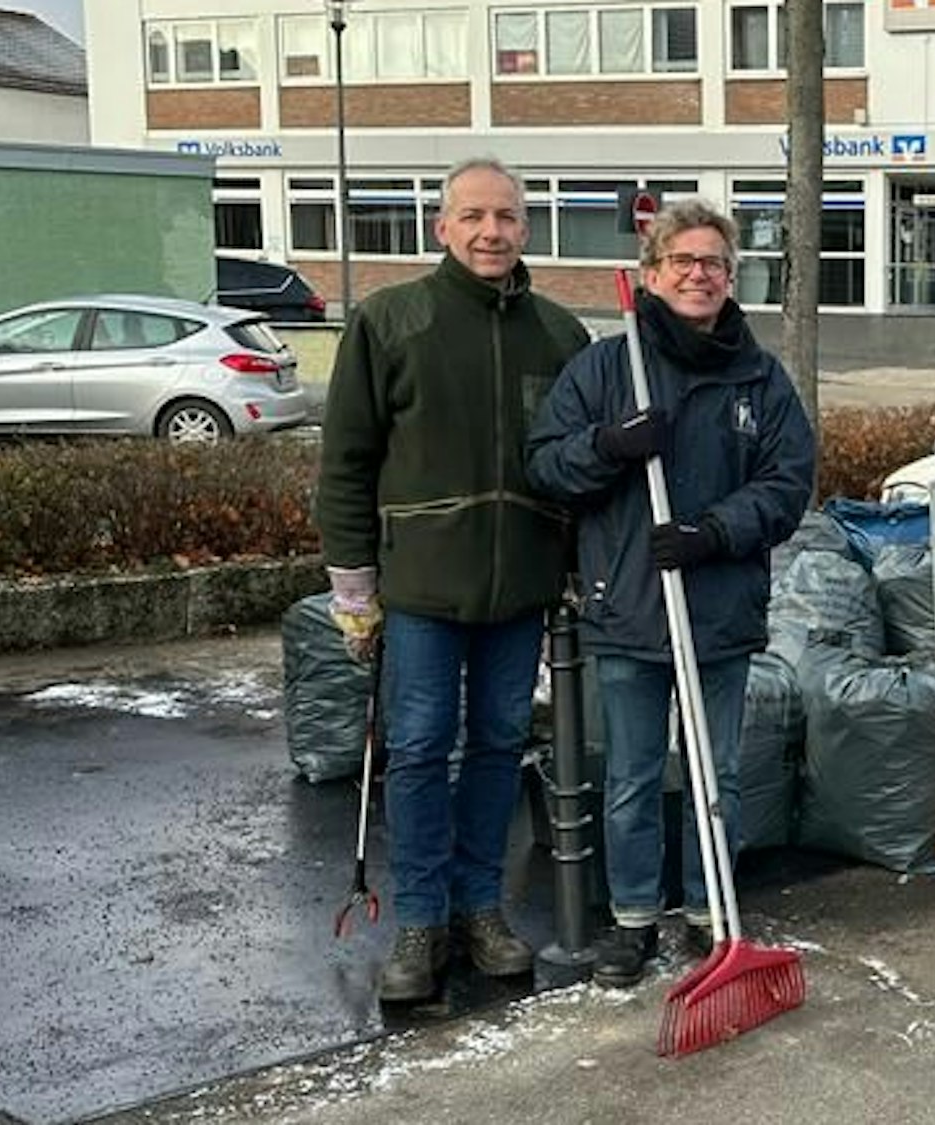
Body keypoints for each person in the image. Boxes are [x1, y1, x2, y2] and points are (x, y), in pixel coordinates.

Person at [316, 157, 592, 1003]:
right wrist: (353, 584)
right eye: (472, 216)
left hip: (520, 588)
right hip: (422, 588)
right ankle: (420, 919)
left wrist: (574, 565)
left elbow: (579, 467)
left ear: (526, 228)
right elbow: (346, 458)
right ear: (442, 227)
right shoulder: (391, 321)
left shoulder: (560, 335)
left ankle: (480, 907)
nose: (490, 232)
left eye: (505, 216)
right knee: (421, 747)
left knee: (500, 744)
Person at [526, 198, 815, 988]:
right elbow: (545, 463)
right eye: (682, 260)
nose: (699, 274)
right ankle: (631, 918)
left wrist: (712, 532)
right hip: (628, 604)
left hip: (719, 608)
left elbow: (788, 482)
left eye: (714, 262)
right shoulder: (607, 369)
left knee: (716, 772)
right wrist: (609, 445)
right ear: (651, 274)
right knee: (630, 775)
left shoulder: (758, 376)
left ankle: (708, 909)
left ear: (731, 276)